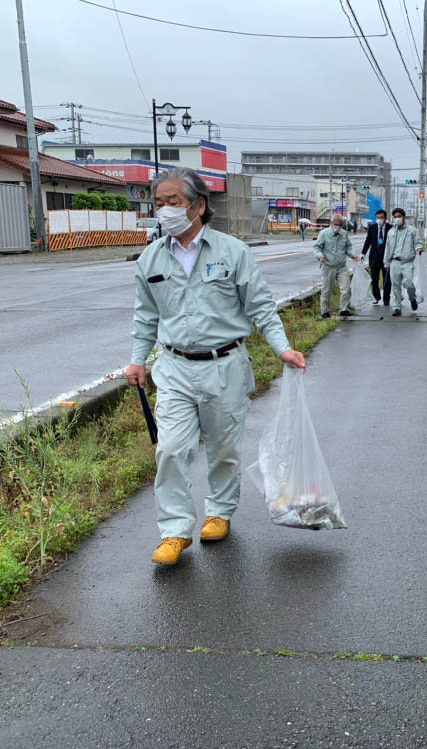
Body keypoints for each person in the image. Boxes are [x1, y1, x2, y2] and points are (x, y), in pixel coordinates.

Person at [125, 168, 306, 566]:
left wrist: (283, 349)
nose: (164, 210)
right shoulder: (151, 259)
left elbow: (260, 305)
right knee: (170, 449)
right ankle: (174, 531)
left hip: (224, 366)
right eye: (159, 203)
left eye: (173, 202)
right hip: (173, 367)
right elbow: (145, 317)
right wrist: (138, 360)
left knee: (223, 450)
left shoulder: (232, 252)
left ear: (198, 206)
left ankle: (219, 512)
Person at [314, 213, 359, 318]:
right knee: (327, 290)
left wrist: (353, 255)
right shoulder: (324, 233)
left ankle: (344, 309)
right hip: (328, 266)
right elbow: (317, 247)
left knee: (346, 288)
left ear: (342, 225)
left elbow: (348, 247)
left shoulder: (344, 234)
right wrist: (320, 256)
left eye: (339, 225)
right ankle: (325, 312)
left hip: (342, 266)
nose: (337, 227)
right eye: (335, 224)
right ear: (331, 223)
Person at [383, 207, 419, 317]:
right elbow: (388, 248)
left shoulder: (412, 230)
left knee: (409, 283)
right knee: (395, 285)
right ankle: (397, 308)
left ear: (403, 217)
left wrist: (419, 248)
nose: (397, 218)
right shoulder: (391, 232)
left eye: (399, 216)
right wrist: (386, 262)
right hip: (395, 262)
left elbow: (418, 242)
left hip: (407, 261)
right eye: (395, 217)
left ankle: (412, 298)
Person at [361, 209, 392, 304]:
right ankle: (376, 297)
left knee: (387, 279)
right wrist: (363, 253)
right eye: (377, 218)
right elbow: (368, 241)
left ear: (385, 218)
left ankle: (386, 298)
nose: (379, 220)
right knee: (374, 278)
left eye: (381, 218)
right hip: (374, 257)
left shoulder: (391, 228)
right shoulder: (372, 227)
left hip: (386, 257)